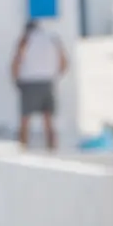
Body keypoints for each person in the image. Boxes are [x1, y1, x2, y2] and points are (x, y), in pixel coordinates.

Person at [12, 19, 66, 150]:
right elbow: (64, 62)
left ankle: (23, 149)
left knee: (25, 119)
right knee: (48, 118)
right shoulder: (52, 38)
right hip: (47, 81)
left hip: (29, 82)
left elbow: (17, 60)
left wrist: (16, 78)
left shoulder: (26, 39)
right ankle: (52, 149)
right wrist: (55, 75)